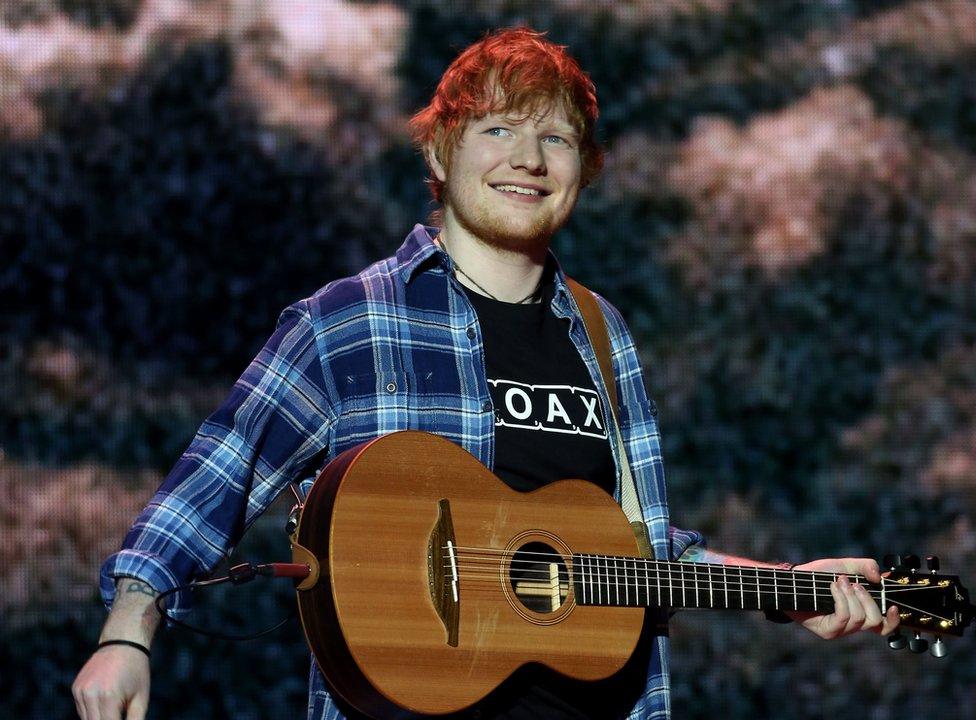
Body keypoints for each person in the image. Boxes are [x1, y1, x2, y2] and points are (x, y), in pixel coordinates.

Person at [72, 27, 900, 720]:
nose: (529, 159)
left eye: (557, 138)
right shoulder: (348, 319)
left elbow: (629, 553)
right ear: (439, 147)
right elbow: (211, 480)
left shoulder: (605, 336)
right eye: (499, 129)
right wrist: (125, 635)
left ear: (585, 169)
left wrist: (785, 588)